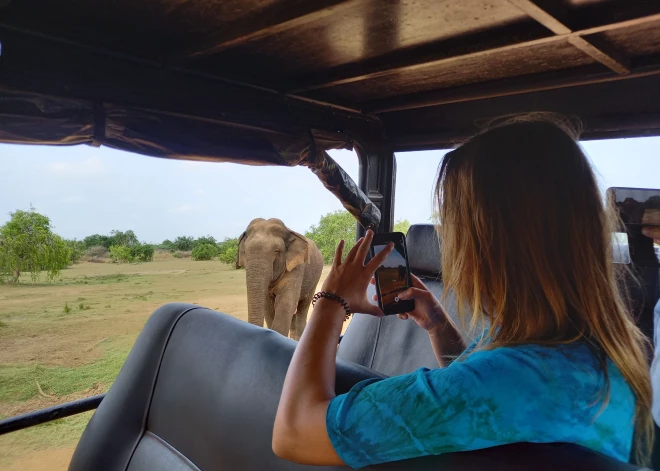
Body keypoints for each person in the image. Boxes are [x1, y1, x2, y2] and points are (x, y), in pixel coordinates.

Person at [272, 116, 653, 468]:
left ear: (490, 244)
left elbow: (292, 434)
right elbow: (482, 407)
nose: (449, 242)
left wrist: (330, 301)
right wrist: (438, 324)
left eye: (456, 225)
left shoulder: (508, 379)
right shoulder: (598, 347)